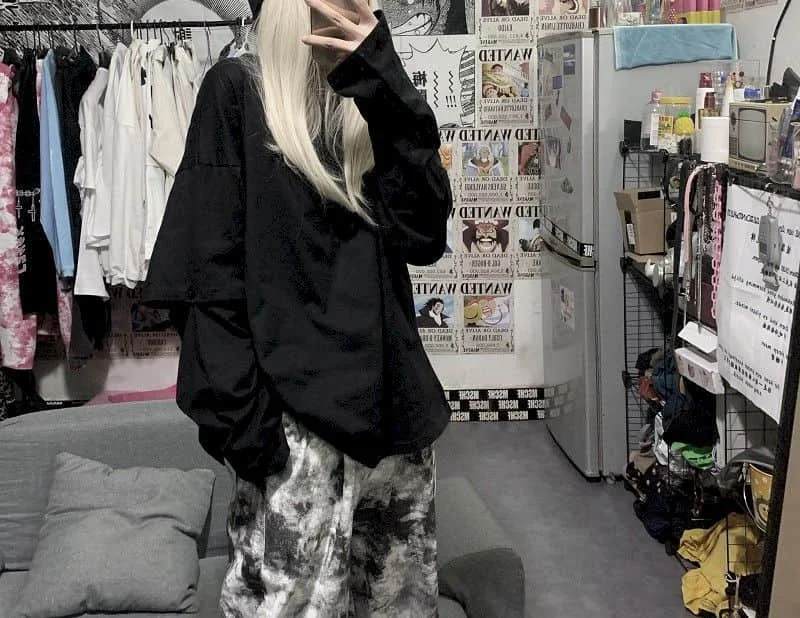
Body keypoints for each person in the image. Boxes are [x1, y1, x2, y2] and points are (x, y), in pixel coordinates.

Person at [141, 0, 453, 615]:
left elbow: (424, 235)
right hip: (293, 437)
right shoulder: (236, 91)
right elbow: (208, 279)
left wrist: (383, 81)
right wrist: (252, 437)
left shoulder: (371, 102)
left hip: (392, 425)